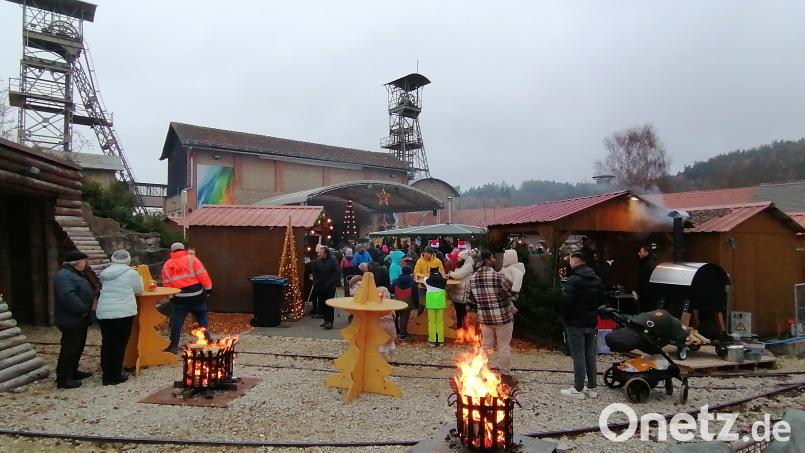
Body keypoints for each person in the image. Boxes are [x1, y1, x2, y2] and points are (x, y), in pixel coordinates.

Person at [465, 250, 516, 386]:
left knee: (486, 346)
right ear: (487, 260)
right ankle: (506, 376)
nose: (494, 259)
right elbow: (511, 293)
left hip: (485, 318)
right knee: (503, 346)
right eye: (492, 257)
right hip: (502, 318)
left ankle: (482, 372)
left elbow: (468, 299)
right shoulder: (498, 276)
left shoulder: (472, 278)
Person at [560, 251, 603, 399]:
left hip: (575, 323)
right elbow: (601, 299)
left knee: (578, 356)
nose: (569, 263)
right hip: (591, 322)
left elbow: (567, 303)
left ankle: (578, 389)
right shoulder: (596, 279)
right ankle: (591, 387)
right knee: (590, 354)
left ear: (576, 262)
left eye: (570, 260)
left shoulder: (573, 280)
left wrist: (565, 318)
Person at [96, 250, 143, 385]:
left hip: (104, 311)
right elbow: (139, 289)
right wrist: (138, 276)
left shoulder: (105, 273)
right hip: (123, 312)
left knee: (107, 343)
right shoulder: (131, 273)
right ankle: (115, 375)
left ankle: (106, 374)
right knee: (119, 343)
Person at [54, 250, 95, 389]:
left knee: (78, 345)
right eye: (84, 261)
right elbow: (67, 296)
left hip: (78, 318)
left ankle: (73, 371)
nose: (86, 263)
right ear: (76, 263)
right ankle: (63, 378)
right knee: (69, 347)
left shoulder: (74, 274)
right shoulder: (64, 276)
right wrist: (83, 309)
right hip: (71, 318)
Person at [162, 242, 213, 353]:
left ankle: (173, 346)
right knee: (202, 319)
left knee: (177, 322)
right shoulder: (192, 259)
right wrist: (208, 289)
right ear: (183, 249)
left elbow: (166, 283)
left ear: (172, 252)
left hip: (180, 298)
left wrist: (171, 297)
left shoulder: (167, 264)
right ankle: (208, 342)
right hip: (197, 296)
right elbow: (203, 275)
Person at [312, 246, 339, 329]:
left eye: (320, 252)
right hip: (320, 285)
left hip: (330, 287)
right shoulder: (318, 261)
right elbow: (314, 271)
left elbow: (336, 273)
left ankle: (329, 321)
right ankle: (325, 320)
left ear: (325, 253)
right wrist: (316, 280)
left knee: (329, 304)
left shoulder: (333, 261)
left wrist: (331, 282)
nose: (319, 253)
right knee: (322, 304)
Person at [447, 249, 474, 329]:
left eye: (459, 258)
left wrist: (450, 273)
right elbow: (456, 274)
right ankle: (459, 324)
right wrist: (452, 274)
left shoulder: (468, 266)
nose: (457, 259)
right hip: (457, 290)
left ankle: (465, 325)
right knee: (458, 309)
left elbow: (458, 275)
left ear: (463, 259)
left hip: (463, 291)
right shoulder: (461, 265)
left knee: (462, 310)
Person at [391, 266, 418, 340]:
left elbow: (392, 289)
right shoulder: (412, 282)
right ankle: (403, 334)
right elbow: (415, 294)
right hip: (407, 302)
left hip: (397, 301)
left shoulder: (396, 280)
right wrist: (416, 305)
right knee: (404, 318)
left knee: (395, 317)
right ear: (409, 272)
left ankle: (396, 331)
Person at [424, 269, 447, 346]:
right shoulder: (444, 281)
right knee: (440, 321)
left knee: (432, 322)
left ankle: (432, 340)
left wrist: (428, 275)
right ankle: (441, 340)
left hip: (431, 304)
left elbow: (425, 277)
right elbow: (444, 278)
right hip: (440, 304)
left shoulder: (426, 281)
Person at [636, 245, 658, 310]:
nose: (638, 253)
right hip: (645, 296)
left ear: (646, 253)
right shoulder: (644, 264)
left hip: (648, 298)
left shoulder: (650, 265)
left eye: (640, 251)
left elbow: (648, 282)